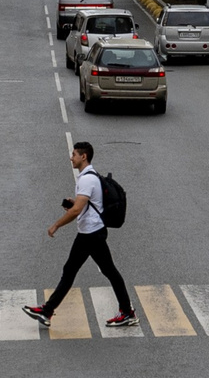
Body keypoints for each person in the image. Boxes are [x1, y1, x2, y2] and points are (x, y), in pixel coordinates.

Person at [25, 141, 136, 331]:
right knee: (78, 271)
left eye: (74, 154)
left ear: (83, 156)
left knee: (97, 271)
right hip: (90, 232)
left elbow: (77, 210)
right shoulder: (89, 177)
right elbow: (83, 204)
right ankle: (47, 310)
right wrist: (73, 202)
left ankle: (127, 313)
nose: (71, 158)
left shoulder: (87, 179)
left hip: (92, 234)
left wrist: (56, 225)